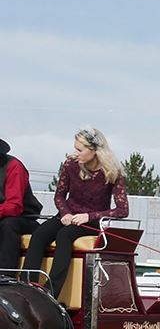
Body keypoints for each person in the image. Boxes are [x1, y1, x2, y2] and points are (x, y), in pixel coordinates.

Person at [25, 127, 128, 299]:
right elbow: (59, 195)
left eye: (80, 150)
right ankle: (27, 284)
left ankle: (50, 291)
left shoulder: (112, 172)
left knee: (64, 235)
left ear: (94, 150)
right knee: (39, 234)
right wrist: (65, 213)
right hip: (67, 216)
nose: (75, 153)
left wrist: (89, 216)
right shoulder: (70, 165)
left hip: (90, 222)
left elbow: (122, 210)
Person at [0, 137, 42, 275]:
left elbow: (14, 206)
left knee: (8, 224)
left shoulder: (13, 166)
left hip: (24, 217)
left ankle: (6, 275)